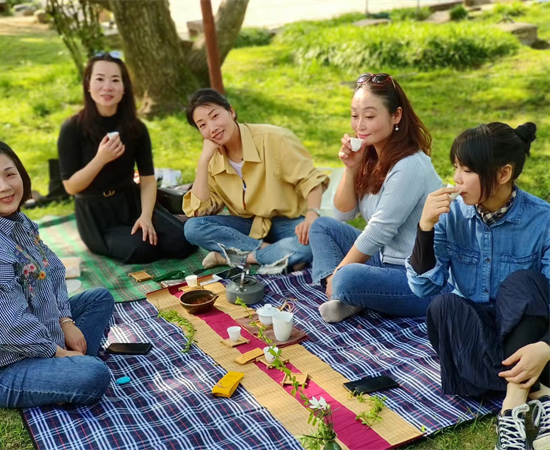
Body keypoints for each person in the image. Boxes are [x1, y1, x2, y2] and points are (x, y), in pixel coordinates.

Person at [406, 122, 550, 450]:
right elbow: (423, 289)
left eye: (467, 169)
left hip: (529, 343)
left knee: (524, 283)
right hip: (478, 356)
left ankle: (512, 410)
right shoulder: (450, 215)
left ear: (503, 174)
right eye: (456, 167)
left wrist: (546, 347)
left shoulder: (543, 220)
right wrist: (425, 228)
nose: (456, 178)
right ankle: (539, 391)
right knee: (443, 306)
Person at [0, 141, 114, 408]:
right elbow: (8, 327)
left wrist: (65, 322)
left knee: (99, 299)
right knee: (94, 375)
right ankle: (73, 366)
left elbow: (54, 270)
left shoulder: (16, 221)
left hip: (36, 328)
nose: (5, 186)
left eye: (10, 174)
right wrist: (58, 353)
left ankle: (69, 366)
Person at [308, 73, 442, 323]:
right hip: (383, 260)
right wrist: (350, 168)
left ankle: (347, 290)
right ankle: (346, 294)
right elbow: (343, 214)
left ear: (396, 116)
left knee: (348, 277)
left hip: (418, 280)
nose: (359, 125)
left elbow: (379, 231)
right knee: (321, 226)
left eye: (369, 116)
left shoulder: (409, 165)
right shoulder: (371, 157)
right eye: (354, 115)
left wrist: (339, 274)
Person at [58, 52, 196, 264]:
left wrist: (146, 216)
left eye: (115, 80)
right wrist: (101, 159)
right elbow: (71, 187)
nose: (107, 87)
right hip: (97, 213)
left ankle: (167, 222)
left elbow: (148, 179)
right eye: (100, 79)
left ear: (124, 88)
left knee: (183, 241)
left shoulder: (135, 128)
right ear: (88, 84)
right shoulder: (73, 129)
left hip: (131, 202)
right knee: (141, 249)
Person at [182, 88, 329, 274]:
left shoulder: (274, 138)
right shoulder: (212, 158)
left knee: (314, 243)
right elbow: (199, 211)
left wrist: (312, 215)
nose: (212, 127)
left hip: (288, 222)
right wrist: (203, 163)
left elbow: (311, 179)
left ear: (231, 112)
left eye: (215, 116)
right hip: (248, 226)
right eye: (202, 125)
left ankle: (235, 257)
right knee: (192, 228)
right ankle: (278, 254)